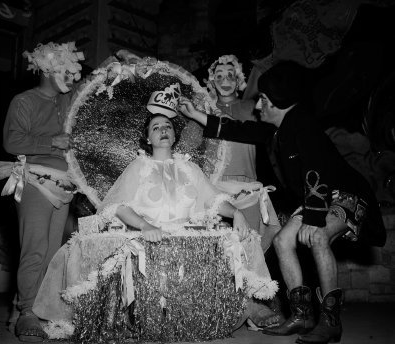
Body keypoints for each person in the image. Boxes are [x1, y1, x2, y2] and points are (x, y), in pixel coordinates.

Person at [179, 60, 386, 344]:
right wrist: (198, 116)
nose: (258, 105)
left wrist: (313, 220)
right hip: (320, 196)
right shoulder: (279, 128)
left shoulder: (303, 125)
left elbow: (317, 170)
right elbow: (242, 130)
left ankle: (330, 321)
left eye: (263, 99)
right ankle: (302, 316)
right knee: (281, 241)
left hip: (344, 195)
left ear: (277, 102)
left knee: (318, 238)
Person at [32, 111, 280, 338]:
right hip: (148, 235)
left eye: (168, 126)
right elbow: (117, 206)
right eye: (156, 127)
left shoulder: (190, 168)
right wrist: (144, 226)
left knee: (239, 240)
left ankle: (248, 304)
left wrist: (236, 212)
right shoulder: (139, 167)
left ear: (174, 135)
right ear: (148, 139)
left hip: (186, 235)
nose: (163, 130)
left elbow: (213, 200)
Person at [0, 41, 84, 342]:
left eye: (74, 72)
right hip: (35, 182)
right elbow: (12, 142)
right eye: (66, 71)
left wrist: (119, 63)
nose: (73, 78)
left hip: (64, 186)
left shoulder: (68, 103)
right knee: (35, 249)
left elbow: (94, 88)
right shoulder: (24, 101)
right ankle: (28, 312)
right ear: (48, 69)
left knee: (52, 253)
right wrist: (53, 142)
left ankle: (25, 304)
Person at [203, 54, 280, 252]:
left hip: (247, 188)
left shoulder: (254, 109)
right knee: (216, 252)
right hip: (214, 188)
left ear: (239, 80)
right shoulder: (204, 110)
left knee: (251, 251)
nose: (225, 81)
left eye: (230, 75)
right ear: (212, 81)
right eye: (219, 76)